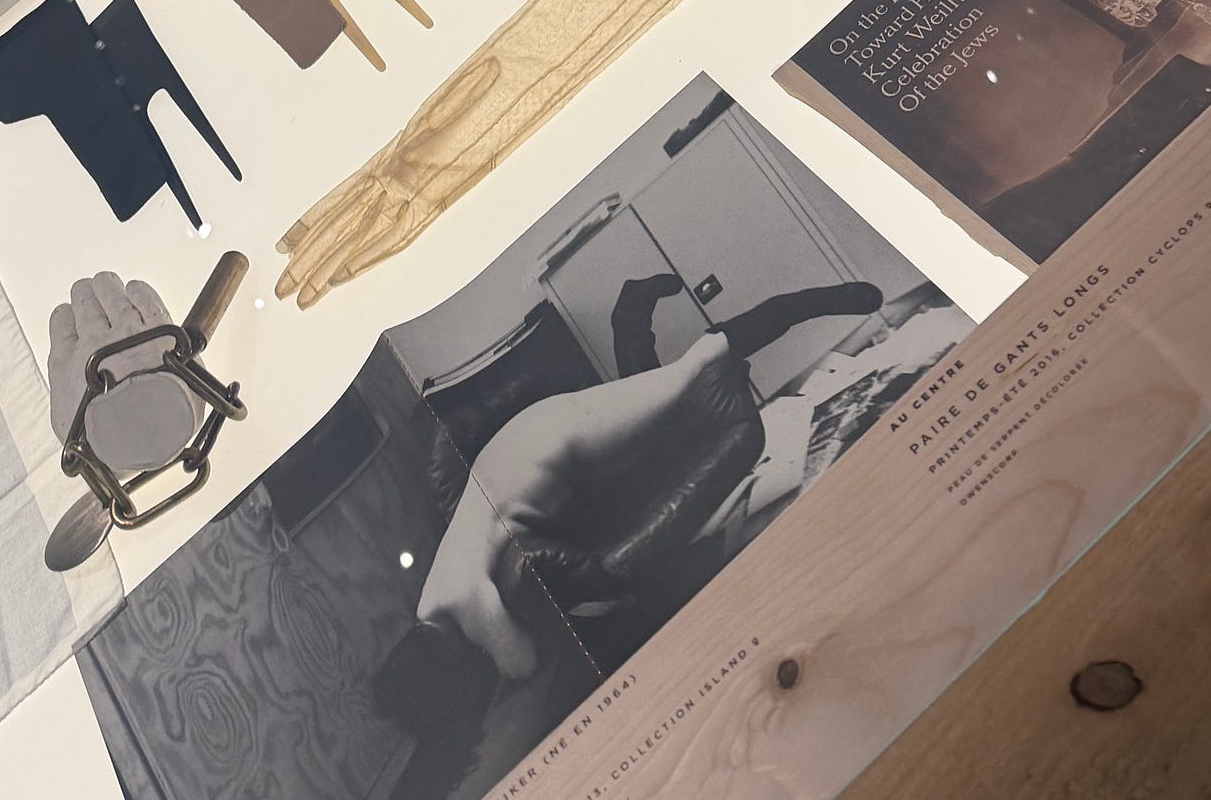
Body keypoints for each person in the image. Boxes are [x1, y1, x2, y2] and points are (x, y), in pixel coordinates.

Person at [371, 276, 883, 759]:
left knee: (694, 370)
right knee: (663, 420)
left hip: (552, 444)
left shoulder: (465, 604)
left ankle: (808, 302)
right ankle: (631, 317)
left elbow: (522, 664)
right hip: (526, 456)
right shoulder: (428, 605)